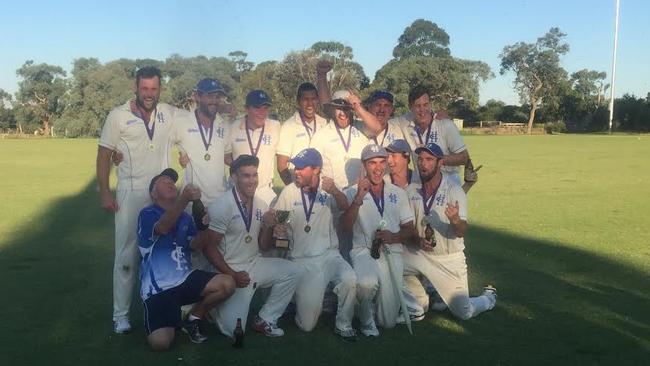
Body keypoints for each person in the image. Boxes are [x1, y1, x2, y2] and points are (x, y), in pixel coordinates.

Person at [97, 66, 180, 333]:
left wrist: (225, 108)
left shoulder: (168, 113)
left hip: (162, 195)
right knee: (126, 255)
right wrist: (105, 192)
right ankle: (120, 315)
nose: (149, 94)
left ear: (160, 89)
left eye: (154, 89)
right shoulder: (118, 116)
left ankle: (168, 308)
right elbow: (103, 155)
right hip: (131, 193)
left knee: (164, 251)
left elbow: (196, 120)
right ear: (136, 87)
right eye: (144, 88)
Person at [201, 155, 300, 338]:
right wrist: (232, 275)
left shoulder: (261, 204)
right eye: (245, 175)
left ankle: (266, 319)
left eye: (254, 175)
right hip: (230, 270)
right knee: (234, 331)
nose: (251, 180)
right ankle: (214, 308)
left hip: (254, 263)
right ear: (234, 178)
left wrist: (269, 226)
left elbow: (263, 246)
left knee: (292, 270)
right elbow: (209, 248)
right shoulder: (222, 206)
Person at [138, 168, 235, 351]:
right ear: (153, 193)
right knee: (160, 344)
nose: (170, 182)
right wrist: (184, 199)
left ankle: (193, 318)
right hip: (159, 289)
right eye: (163, 180)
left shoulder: (185, 217)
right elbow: (163, 228)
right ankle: (172, 317)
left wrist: (203, 225)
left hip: (185, 279)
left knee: (227, 284)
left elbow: (196, 246)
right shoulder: (147, 214)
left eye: (172, 181)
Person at [403, 142, 497, 321]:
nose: (423, 164)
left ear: (440, 164)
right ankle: (421, 300)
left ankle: (488, 299)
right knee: (391, 265)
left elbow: (461, 231)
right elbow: (407, 227)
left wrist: (455, 220)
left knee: (464, 312)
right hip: (421, 255)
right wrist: (417, 240)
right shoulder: (411, 190)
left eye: (429, 159)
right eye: (420, 159)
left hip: (448, 259)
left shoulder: (454, 190)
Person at [273, 148, 358, 341]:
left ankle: (343, 325)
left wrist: (335, 190)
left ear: (316, 170)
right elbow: (281, 231)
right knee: (307, 325)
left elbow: (345, 207)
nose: (296, 171)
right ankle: (297, 298)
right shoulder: (288, 193)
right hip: (303, 260)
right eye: (296, 167)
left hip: (330, 255)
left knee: (350, 278)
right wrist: (278, 232)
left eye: (302, 168)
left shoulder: (327, 189)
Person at [340, 144, 417, 336]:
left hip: (392, 252)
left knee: (388, 322)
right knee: (366, 283)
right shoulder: (352, 192)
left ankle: (369, 307)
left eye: (382, 162)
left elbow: (410, 231)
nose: (378, 168)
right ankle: (366, 321)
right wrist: (358, 198)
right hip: (363, 250)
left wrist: (393, 237)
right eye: (372, 163)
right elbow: (345, 228)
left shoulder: (397, 193)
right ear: (364, 166)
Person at [397, 85, 477, 185]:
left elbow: (464, 157)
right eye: (417, 106)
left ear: (430, 104)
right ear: (410, 107)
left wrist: (438, 160)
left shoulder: (445, 124)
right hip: (422, 186)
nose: (422, 110)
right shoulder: (404, 122)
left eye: (425, 105)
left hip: (448, 183)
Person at [173, 78, 230, 207]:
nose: (214, 101)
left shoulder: (224, 125)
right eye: (209, 96)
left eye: (217, 97)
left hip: (220, 201)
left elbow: (228, 157)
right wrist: (181, 155)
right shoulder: (181, 122)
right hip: (191, 201)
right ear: (197, 96)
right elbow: (162, 143)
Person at [225, 90, 280, 205]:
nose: (262, 112)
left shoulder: (275, 127)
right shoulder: (233, 127)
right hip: (237, 191)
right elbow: (226, 157)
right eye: (257, 108)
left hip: (264, 192)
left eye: (265, 108)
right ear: (247, 108)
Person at [277, 82, 328, 185]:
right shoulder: (288, 126)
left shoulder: (324, 123)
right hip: (297, 186)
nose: (310, 104)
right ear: (298, 102)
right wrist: (294, 190)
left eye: (313, 99)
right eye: (305, 99)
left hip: (320, 189)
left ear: (318, 100)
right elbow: (281, 165)